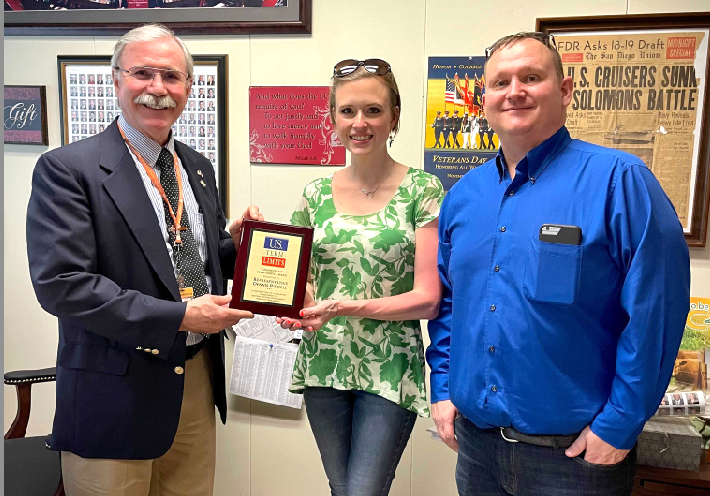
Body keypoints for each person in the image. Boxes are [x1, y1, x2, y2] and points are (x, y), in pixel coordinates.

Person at [426, 32, 690, 496]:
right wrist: (443, 387)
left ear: (565, 90)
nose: (515, 92)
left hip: (574, 460)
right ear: (483, 100)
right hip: (477, 449)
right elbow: (450, 304)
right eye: (500, 82)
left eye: (531, 77)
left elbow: (657, 313)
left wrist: (620, 423)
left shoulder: (621, 182)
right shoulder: (463, 196)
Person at [26, 23, 262, 496]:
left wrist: (237, 246)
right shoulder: (68, 169)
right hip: (113, 391)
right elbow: (63, 284)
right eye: (143, 73)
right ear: (116, 79)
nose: (158, 88)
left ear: (189, 87)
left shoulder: (196, 166)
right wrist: (180, 317)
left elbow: (194, 258)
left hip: (195, 378)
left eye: (172, 76)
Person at [277, 58, 444, 496]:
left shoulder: (423, 190)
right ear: (333, 118)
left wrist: (344, 307)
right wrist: (296, 302)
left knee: (364, 490)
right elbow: (300, 280)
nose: (359, 123)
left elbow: (428, 299)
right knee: (340, 487)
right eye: (347, 111)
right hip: (324, 361)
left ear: (394, 117)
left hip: (389, 365)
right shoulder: (314, 194)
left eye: (373, 110)